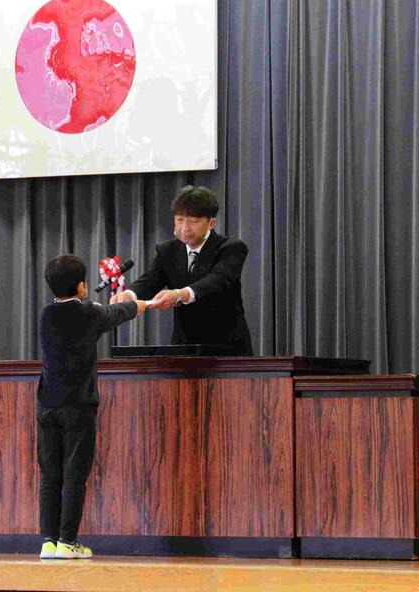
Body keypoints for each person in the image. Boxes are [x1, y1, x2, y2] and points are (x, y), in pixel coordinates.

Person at [37, 254, 146, 559]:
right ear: (82, 286)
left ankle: (49, 542)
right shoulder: (89, 314)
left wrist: (100, 306)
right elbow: (122, 311)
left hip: (46, 404)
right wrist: (137, 302)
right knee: (74, 475)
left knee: (50, 476)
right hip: (78, 406)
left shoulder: (46, 314)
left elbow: (96, 313)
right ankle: (68, 542)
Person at [111, 185, 253, 356]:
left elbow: (218, 280)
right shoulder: (168, 251)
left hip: (227, 345)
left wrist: (180, 294)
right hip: (184, 345)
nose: (185, 228)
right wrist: (130, 294)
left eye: (193, 221)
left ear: (211, 223)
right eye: (179, 220)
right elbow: (150, 280)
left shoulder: (231, 247)